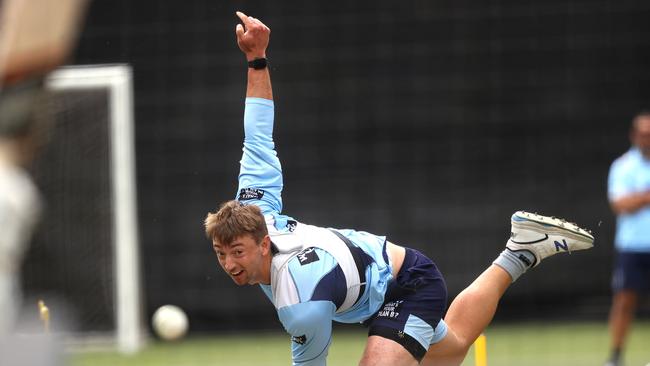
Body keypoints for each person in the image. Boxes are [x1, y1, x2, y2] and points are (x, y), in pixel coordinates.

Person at [204, 12, 595, 366]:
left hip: (406, 284)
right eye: (221, 253)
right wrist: (256, 59)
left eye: (237, 252)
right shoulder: (255, 212)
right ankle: (521, 251)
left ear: (264, 244)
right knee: (454, 348)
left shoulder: (300, 302)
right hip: (370, 289)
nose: (229, 264)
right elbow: (257, 137)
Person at [605, 112, 650, 366]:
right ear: (634, 136)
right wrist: (645, 198)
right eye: (643, 134)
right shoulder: (623, 166)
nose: (647, 139)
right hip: (632, 246)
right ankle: (616, 355)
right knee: (624, 302)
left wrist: (639, 198)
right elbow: (620, 204)